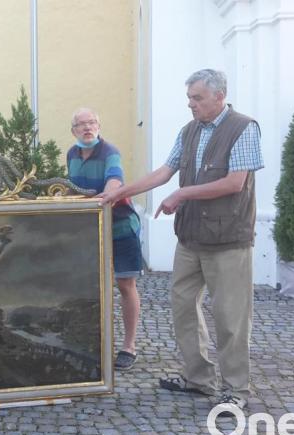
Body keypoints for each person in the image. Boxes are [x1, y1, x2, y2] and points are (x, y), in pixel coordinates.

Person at [100, 69, 263, 414]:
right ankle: (197, 379)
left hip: (228, 240)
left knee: (230, 317)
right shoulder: (189, 131)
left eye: (197, 98)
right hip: (190, 238)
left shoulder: (244, 127)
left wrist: (184, 193)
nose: (191, 104)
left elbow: (235, 183)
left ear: (219, 97)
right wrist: (120, 193)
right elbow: (164, 171)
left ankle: (236, 388)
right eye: (189, 98)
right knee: (183, 308)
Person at [67, 108, 144, 371]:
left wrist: (104, 198)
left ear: (99, 126)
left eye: (92, 123)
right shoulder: (72, 154)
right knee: (90, 287)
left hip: (121, 227)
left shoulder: (110, 152)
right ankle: (92, 343)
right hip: (90, 228)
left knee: (125, 284)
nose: (87, 128)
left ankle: (129, 347)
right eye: (81, 124)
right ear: (74, 130)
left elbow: (114, 181)